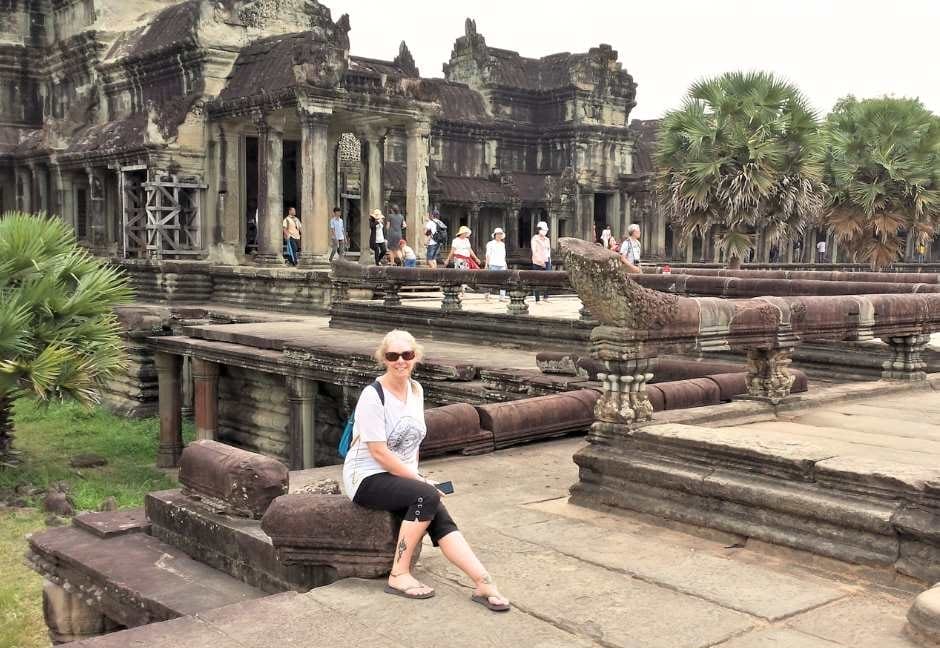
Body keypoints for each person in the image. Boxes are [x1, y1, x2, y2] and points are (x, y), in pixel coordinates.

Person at [342, 330, 511, 611]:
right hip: (365, 476)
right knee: (427, 496)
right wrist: (418, 482)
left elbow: (412, 443)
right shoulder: (373, 395)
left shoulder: (416, 390)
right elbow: (379, 452)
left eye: (406, 355)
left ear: (416, 357)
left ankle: (483, 582)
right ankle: (399, 574)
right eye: (393, 356)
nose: (400, 361)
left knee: (438, 513)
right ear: (383, 359)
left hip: (398, 473)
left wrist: (417, 479)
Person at [530, 222, 552, 302]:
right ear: (539, 230)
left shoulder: (547, 239)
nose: (544, 231)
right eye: (543, 230)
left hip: (547, 260)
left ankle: (546, 297)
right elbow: (534, 251)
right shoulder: (535, 239)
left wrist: (549, 260)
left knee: (548, 279)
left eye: (545, 230)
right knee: (537, 280)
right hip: (537, 261)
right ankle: (537, 299)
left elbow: (548, 250)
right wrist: (540, 261)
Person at [484, 227, 507, 302]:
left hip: (501, 264)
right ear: (495, 235)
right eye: (498, 234)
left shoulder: (502, 244)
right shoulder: (490, 244)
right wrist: (486, 264)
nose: (499, 235)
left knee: (503, 281)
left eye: (500, 234)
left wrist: (505, 264)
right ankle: (487, 294)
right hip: (493, 263)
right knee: (490, 280)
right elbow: (488, 254)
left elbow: (503, 255)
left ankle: (502, 297)